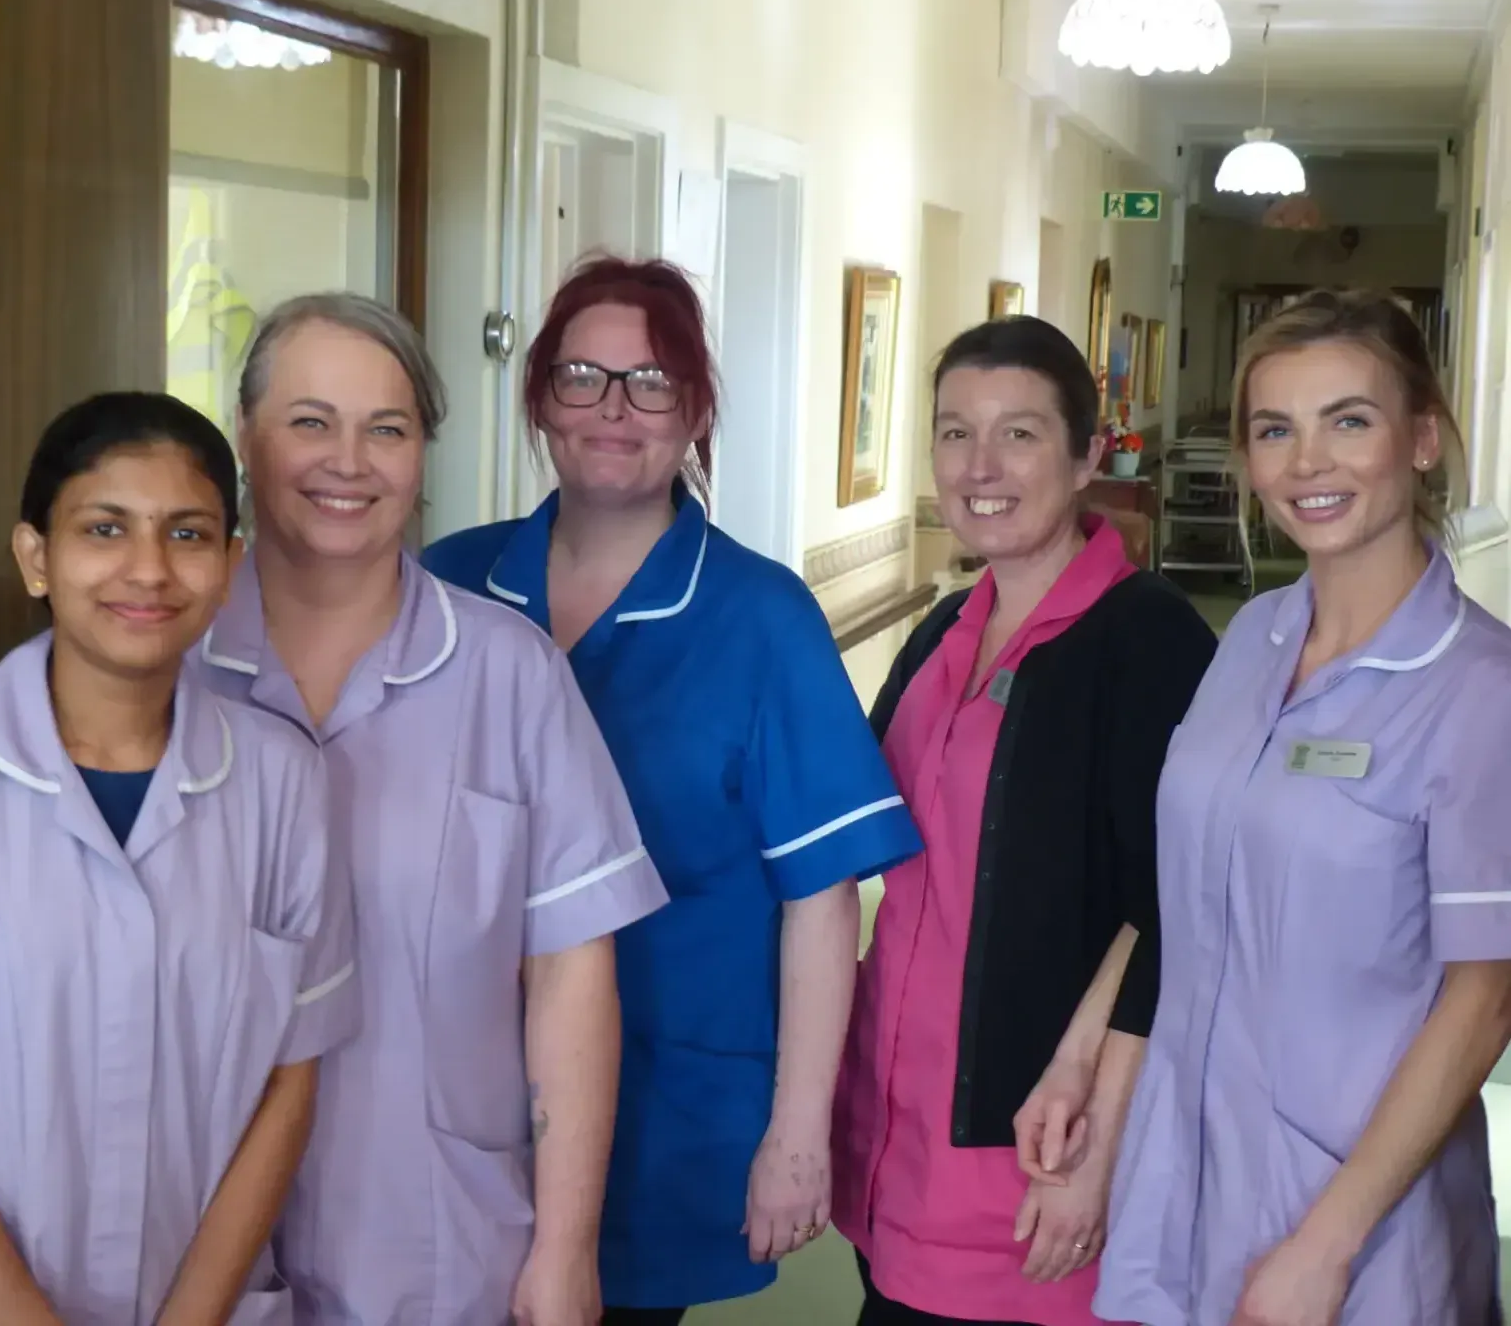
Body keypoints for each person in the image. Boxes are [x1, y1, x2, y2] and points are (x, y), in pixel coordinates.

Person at [423, 255, 922, 1324]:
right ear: (538, 400)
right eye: (580, 377)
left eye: (650, 382)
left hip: (668, 1110)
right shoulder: (450, 586)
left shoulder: (758, 617)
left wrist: (796, 1136)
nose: (613, 409)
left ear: (693, 410)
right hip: (446, 1098)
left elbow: (821, 898)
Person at [198, 293, 669, 1326]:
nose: (348, 462)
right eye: (310, 421)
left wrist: (564, 1250)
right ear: (246, 438)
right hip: (196, 1244)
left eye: (388, 428)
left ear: (423, 455)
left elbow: (571, 975)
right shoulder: (172, 667)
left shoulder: (508, 674)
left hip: (441, 1238)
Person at [1097, 288, 1511, 1326]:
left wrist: (1324, 1249)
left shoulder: (1476, 690)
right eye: (1273, 430)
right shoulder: (1250, 637)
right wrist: (1088, 1065)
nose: (1305, 464)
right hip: (1186, 1169)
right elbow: (1188, 894)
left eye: (1348, 422)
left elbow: (1486, 995)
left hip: (1354, 1220)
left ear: (1420, 439)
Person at [831, 316, 1217, 1326]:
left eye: (1019, 434)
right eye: (953, 433)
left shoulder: (1144, 641)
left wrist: (1094, 1147)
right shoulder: (940, 630)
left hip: (1033, 1161)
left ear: (1088, 455)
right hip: (893, 1141)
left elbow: (1176, 911)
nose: (979, 466)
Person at [0, 391, 357, 1326]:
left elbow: (288, 1086)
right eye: (105, 528)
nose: (148, 569)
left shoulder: (283, 782)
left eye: (187, 534)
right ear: (36, 557)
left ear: (229, 567)